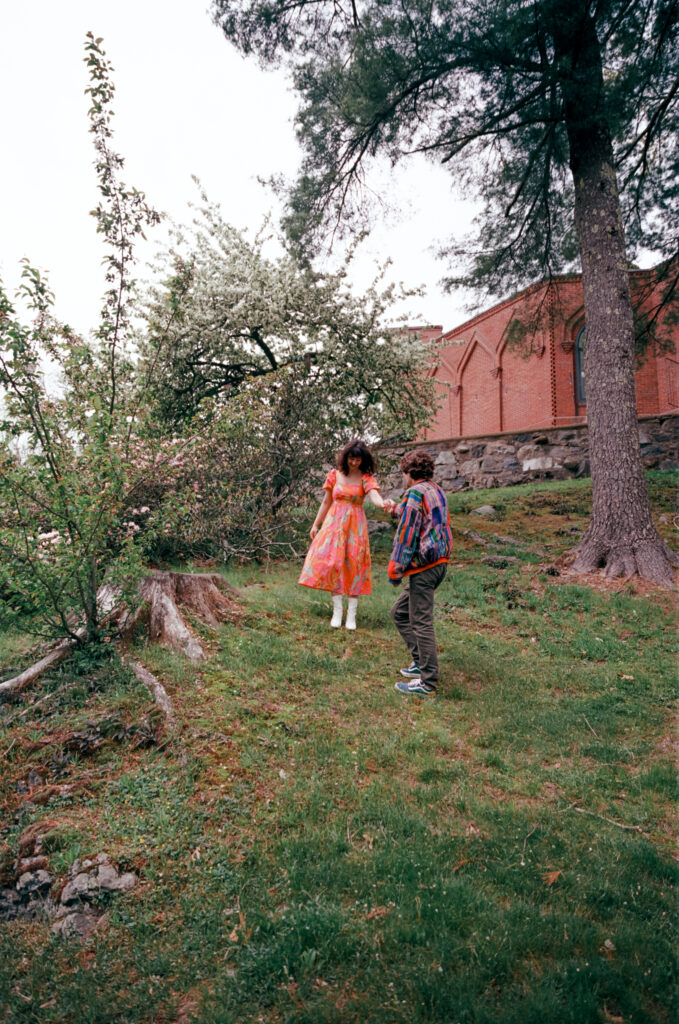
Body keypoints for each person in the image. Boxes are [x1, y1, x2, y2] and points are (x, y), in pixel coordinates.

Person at [299, 439, 390, 629]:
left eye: (358, 460)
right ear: (345, 457)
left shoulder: (366, 478)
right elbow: (326, 502)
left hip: (355, 525)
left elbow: (373, 495)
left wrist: (382, 504)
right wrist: (316, 524)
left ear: (363, 460)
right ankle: (337, 611)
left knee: (354, 564)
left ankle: (352, 616)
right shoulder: (334, 475)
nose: (354, 463)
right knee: (333, 563)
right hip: (334, 524)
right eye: (351, 459)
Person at [386, 449, 452, 696]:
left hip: (424, 567)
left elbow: (407, 536)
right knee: (399, 613)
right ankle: (419, 663)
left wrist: (395, 569)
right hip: (439, 564)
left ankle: (428, 683)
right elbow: (415, 514)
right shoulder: (435, 489)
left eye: (403, 473)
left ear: (408, 472)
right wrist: (394, 509)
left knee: (421, 622)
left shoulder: (414, 492)